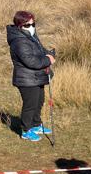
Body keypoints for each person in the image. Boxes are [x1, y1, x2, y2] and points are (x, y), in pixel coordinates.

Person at [7, 11, 55, 142]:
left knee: (39, 101)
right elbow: (31, 61)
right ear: (19, 26)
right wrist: (48, 60)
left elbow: (41, 51)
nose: (32, 27)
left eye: (33, 24)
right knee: (30, 105)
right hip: (26, 79)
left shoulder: (31, 36)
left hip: (36, 77)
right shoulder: (19, 41)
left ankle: (35, 125)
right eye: (28, 25)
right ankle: (26, 130)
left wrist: (49, 54)